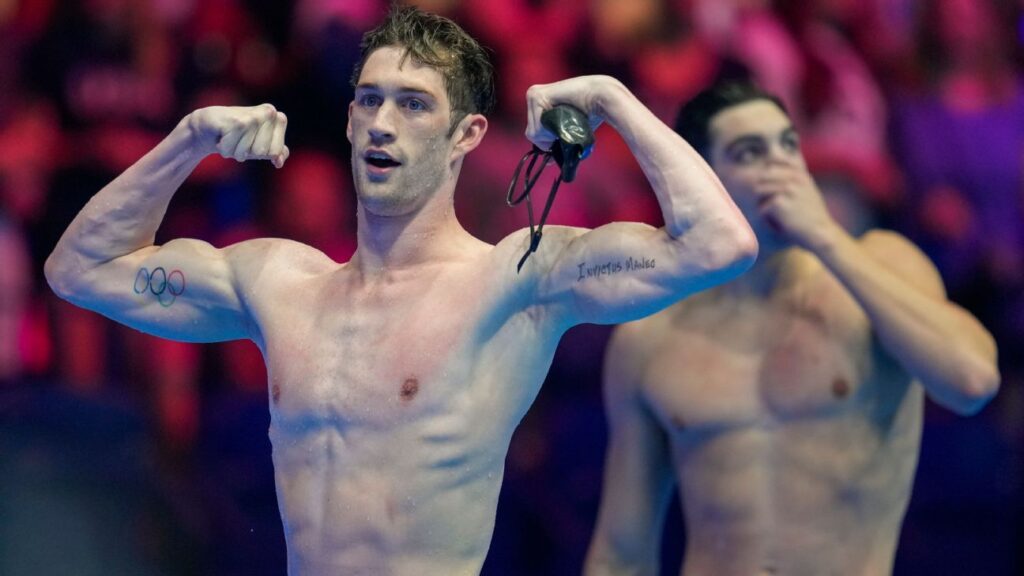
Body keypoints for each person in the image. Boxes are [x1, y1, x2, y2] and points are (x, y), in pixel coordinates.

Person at [44, 7, 757, 575]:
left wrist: (610, 99)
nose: (382, 124)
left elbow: (717, 244)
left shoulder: (515, 281)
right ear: (350, 120)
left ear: (466, 134)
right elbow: (79, 269)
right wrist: (188, 140)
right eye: (370, 101)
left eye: (414, 105)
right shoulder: (278, 282)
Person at [584, 82, 1000, 576]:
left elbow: (971, 382)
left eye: (788, 145)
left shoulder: (882, 267)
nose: (781, 166)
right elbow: (622, 551)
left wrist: (825, 236)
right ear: (701, 181)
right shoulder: (649, 338)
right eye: (750, 153)